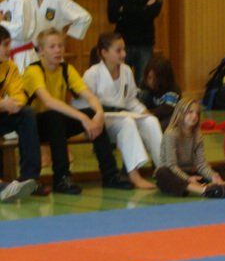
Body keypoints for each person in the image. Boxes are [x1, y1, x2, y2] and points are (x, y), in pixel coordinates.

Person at [23, 28, 132, 194]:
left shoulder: (66, 69)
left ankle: (110, 175)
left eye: (60, 46)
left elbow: (90, 96)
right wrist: (82, 117)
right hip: (35, 127)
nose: (58, 50)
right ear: (41, 51)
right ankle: (61, 178)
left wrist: (99, 114)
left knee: (92, 114)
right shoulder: (33, 71)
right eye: (52, 47)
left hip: (57, 123)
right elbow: (49, 102)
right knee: (56, 116)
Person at [75, 32, 162, 189]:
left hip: (120, 116)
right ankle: (134, 176)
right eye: (118, 50)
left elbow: (130, 100)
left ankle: (164, 169)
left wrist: (144, 112)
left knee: (151, 121)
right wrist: (90, 123)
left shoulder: (126, 70)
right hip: (99, 122)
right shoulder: (92, 74)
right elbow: (82, 105)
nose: (124, 54)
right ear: (104, 53)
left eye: (124, 50)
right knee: (127, 122)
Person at [0, 25, 47, 195]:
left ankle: (29, 179)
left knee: (26, 114)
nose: (9, 49)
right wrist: (2, 104)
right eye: (5, 45)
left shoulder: (9, 67)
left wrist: (14, 104)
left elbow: (19, 94)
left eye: (9, 44)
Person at [155, 98, 225, 198]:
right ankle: (205, 190)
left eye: (197, 113)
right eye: (190, 112)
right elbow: (171, 165)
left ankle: (219, 186)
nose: (195, 116)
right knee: (162, 173)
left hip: (190, 173)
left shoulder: (197, 135)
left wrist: (213, 176)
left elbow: (201, 164)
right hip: (174, 174)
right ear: (180, 113)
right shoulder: (171, 134)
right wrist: (188, 179)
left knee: (223, 168)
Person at [108, 0, 162, 85]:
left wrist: (124, 9)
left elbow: (153, 13)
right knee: (120, 82)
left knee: (143, 83)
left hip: (145, 42)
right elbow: (112, 16)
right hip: (122, 43)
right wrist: (143, 7)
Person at [0, 0, 38, 73]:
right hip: (6, 57)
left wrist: (1, 23)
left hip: (23, 57)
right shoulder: (2, 5)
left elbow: (21, 31)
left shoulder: (22, 2)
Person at [138, 54, 180, 131]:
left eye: (154, 79)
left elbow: (166, 109)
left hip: (167, 119)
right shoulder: (145, 87)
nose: (150, 81)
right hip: (150, 116)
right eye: (149, 77)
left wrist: (148, 113)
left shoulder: (173, 90)